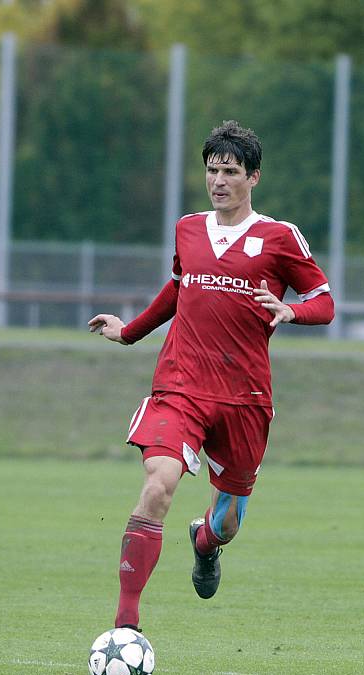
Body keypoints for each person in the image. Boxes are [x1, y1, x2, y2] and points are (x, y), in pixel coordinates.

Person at [88, 120, 334, 632]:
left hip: (244, 398)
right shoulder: (188, 228)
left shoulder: (280, 237)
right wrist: (130, 333)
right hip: (180, 386)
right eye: (212, 170)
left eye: (230, 171)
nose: (219, 180)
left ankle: (204, 543)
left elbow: (325, 302)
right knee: (158, 485)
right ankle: (125, 627)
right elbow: (178, 290)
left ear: (254, 177)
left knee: (227, 522)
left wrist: (293, 313)